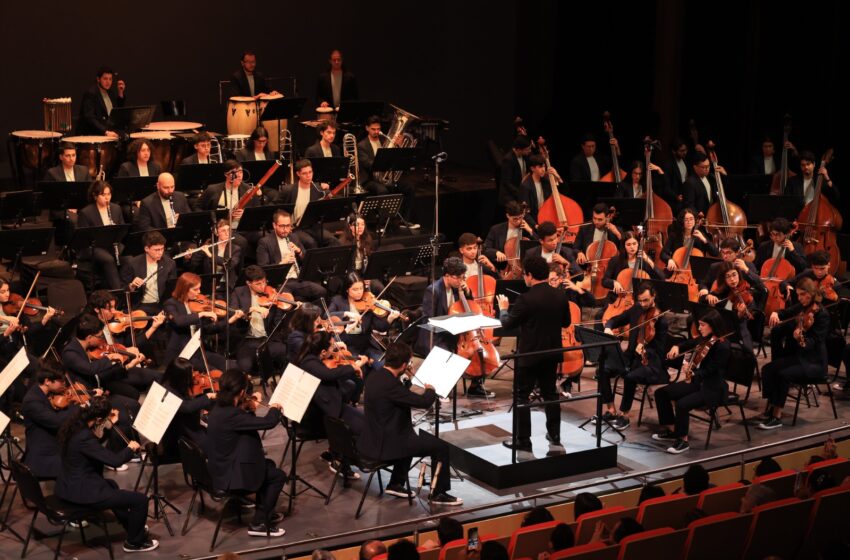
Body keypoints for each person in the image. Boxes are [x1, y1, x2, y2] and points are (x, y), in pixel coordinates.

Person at [358, 341, 462, 505]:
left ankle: (396, 483)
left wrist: (408, 380)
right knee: (440, 447)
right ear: (405, 364)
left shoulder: (375, 376)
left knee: (410, 435)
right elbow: (423, 402)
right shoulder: (391, 385)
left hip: (373, 438)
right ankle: (438, 494)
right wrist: (430, 390)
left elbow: (398, 396)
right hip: (386, 446)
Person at [56, 397, 155, 552]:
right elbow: (114, 461)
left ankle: (132, 527)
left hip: (68, 485)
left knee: (112, 485)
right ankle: (134, 542)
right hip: (82, 492)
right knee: (140, 501)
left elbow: (96, 448)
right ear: (98, 419)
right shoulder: (84, 437)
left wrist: (109, 426)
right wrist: (130, 449)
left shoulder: (77, 427)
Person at [495, 256, 571, 449]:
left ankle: (523, 440)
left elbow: (508, 324)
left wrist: (503, 309)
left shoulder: (525, 299)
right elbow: (566, 323)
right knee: (550, 394)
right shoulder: (560, 296)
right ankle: (555, 435)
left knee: (522, 397)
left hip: (529, 356)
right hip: (552, 353)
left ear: (529, 275)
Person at [204, 369, 286, 537]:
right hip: (229, 478)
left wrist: (247, 406)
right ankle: (260, 523)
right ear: (241, 392)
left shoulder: (218, 407)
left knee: (267, 465)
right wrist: (275, 408)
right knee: (277, 476)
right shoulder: (232, 415)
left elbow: (240, 422)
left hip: (219, 467)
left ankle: (265, 512)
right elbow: (269, 422)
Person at [415, 256, 494, 398]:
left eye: (463, 277)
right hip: (436, 335)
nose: (461, 281)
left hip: (455, 334)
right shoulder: (433, 290)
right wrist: (450, 324)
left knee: (478, 351)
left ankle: (475, 387)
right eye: (458, 278)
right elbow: (429, 319)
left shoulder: (459, 288)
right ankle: (438, 390)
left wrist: (468, 292)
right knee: (448, 354)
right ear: (447, 276)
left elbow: (468, 308)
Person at [655, 309, 730, 454]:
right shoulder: (705, 339)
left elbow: (711, 371)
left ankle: (683, 441)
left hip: (713, 388)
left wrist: (692, 372)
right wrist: (677, 346)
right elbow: (690, 343)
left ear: (713, 326)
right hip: (698, 383)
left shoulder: (722, 346)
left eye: (702, 325)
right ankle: (673, 430)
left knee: (682, 404)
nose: (699, 328)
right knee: (661, 393)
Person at [295, 330, 368, 478]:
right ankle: (340, 461)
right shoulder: (309, 362)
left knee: (365, 421)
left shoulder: (311, 358)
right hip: (317, 416)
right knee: (358, 428)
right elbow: (328, 375)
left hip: (327, 406)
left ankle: (333, 453)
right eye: (331, 347)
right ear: (322, 352)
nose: (334, 350)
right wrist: (352, 367)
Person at [760, 278, 829, 429]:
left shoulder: (822, 315)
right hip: (799, 357)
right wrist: (775, 314)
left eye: (803, 295)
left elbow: (814, 342)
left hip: (813, 362)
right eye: (798, 295)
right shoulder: (802, 308)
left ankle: (776, 416)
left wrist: (801, 339)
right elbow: (785, 312)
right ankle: (772, 404)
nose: (800, 298)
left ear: (811, 294)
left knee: (783, 374)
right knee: (768, 369)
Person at [600, 282, 669, 430]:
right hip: (631, 356)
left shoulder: (661, 320)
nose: (643, 304)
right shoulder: (637, 309)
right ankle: (611, 410)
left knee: (630, 377)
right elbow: (617, 319)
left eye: (646, 300)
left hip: (650, 362)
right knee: (602, 369)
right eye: (640, 300)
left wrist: (646, 349)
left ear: (653, 296)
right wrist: (608, 327)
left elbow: (660, 351)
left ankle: (624, 415)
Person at [162, 272, 236, 371]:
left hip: (198, 349)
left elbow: (208, 329)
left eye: (199, 288)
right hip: (182, 352)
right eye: (195, 289)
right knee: (213, 371)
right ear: (184, 289)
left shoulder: (196, 304)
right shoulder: (171, 304)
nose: (199, 292)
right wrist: (201, 314)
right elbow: (179, 321)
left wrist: (229, 321)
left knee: (229, 365)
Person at [22, 363, 81, 479]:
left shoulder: (44, 392)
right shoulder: (32, 401)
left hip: (55, 446)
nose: (65, 384)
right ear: (47, 381)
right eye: (61, 381)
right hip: (44, 456)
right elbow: (56, 422)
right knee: (82, 468)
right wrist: (79, 407)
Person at [356, 116, 418, 226]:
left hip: (386, 177)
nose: (376, 131)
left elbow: (397, 159)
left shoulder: (385, 140)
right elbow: (369, 165)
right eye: (373, 129)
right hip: (370, 180)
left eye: (378, 129)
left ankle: (404, 220)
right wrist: (384, 160)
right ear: (367, 128)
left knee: (409, 187)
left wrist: (399, 146)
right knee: (383, 190)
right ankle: (382, 223)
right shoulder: (361, 146)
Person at [230, 265, 289, 381]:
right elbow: (232, 313)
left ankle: (284, 383)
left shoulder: (271, 293)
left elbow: (277, 321)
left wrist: (283, 309)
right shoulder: (238, 292)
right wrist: (252, 309)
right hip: (247, 340)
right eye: (258, 284)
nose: (263, 286)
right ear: (248, 283)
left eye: (264, 282)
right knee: (244, 366)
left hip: (267, 339)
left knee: (286, 351)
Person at [256, 209, 327, 300]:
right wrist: (282, 263)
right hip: (281, 282)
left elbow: (307, 261)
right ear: (274, 225)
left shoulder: (293, 237)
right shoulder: (265, 242)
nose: (285, 230)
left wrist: (299, 252)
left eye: (288, 226)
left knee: (321, 291)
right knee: (287, 300)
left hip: (297, 279)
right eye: (282, 226)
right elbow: (262, 269)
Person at [328, 272, 401, 362]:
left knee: (384, 365)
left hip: (366, 344)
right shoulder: (338, 300)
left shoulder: (368, 302)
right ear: (347, 290)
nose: (359, 292)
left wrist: (390, 318)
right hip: (347, 345)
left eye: (361, 288)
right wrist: (346, 313)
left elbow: (380, 327)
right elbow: (327, 316)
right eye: (355, 289)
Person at [88, 289, 165, 372]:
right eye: (109, 308)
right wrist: (126, 350)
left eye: (114, 307)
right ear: (97, 309)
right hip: (113, 369)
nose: (114, 311)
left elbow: (136, 343)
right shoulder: (92, 329)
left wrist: (153, 327)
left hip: (129, 362)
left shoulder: (119, 321)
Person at [159, 357, 213, 461]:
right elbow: (186, 407)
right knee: (214, 447)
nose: (194, 374)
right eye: (190, 373)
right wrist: (208, 397)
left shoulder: (172, 384)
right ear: (180, 376)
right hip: (180, 438)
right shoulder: (168, 393)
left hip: (187, 428)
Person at [279, 159, 341, 249]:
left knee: (333, 240)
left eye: (310, 172)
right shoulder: (288, 190)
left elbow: (334, 198)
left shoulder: (318, 189)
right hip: (295, 228)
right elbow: (277, 209)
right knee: (311, 242)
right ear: (298, 174)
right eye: (304, 173)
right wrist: (286, 226)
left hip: (312, 226)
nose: (308, 176)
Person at [704, 262, 764, 352]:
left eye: (734, 275)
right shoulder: (721, 292)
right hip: (722, 329)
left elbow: (762, 289)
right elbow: (704, 301)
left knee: (745, 352)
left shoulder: (746, 292)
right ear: (723, 279)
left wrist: (739, 315)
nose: (732, 279)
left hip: (739, 330)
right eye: (728, 276)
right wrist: (708, 296)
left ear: (739, 275)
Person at [76, 180, 124, 290]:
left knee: (128, 258)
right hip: (92, 247)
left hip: (111, 244)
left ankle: (128, 289)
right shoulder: (86, 213)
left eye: (109, 194)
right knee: (108, 259)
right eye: (103, 195)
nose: (107, 198)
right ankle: (118, 292)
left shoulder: (116, 209)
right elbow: (83, 239)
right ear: (95, 196)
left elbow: (122, 230)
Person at [120, 230, 177, 313]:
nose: (160, 253)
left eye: (162, 249)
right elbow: (123, 289)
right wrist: (132, 285)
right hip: (140, 306)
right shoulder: (132, 263)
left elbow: (172, 288)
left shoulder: (170, 263)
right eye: (156, 250)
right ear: (146, 248)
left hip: (161, 306)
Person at [483, 201, 538, 276]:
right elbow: (486, 248)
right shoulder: (496, 230)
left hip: (526, 271)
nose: (518, 221)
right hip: (503, 270)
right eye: (515, 219)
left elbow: (539, 245)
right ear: (508, 216)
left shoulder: (527, 231)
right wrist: (496, 252)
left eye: (520, 217)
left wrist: (530, 230)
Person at [190, 219, 243, 295]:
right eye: (223, 231)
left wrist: (211, 256)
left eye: (228, 230)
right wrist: (189, 256)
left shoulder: (235, 249)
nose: (227, 233)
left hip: (227, 286)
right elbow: (193, 265)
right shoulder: (209, 248)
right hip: (210, 286)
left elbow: (229, 265)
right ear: (216, 232)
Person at [661, 207, 719, 272]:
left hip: (694, 272)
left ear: (695, 220)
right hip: (677, 270)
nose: (689, 222)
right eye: (686, 220)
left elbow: (715, 253)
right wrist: (669, 260)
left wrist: (704, 239)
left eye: (691, 219)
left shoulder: (700, 235)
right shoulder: (674, 235)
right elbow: (663, 254)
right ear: (682, 221)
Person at [76, 66, 125, 137]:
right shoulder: (91, 93)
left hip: (108, 131)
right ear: (98, 79)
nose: (108, 82)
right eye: (105, 79)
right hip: (93, 134)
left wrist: (120, 92)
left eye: (110, 79)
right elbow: (90, 118)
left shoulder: (110, 93)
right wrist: (105, 132)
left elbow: (118, 111)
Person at [498, 136, 532, 206]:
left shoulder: (524, 155)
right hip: (510, 196)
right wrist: (520, 193)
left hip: (519, 192)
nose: (529, 151)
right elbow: (506, 182)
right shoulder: (508, 160)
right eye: (527, 149)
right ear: (519, 149)